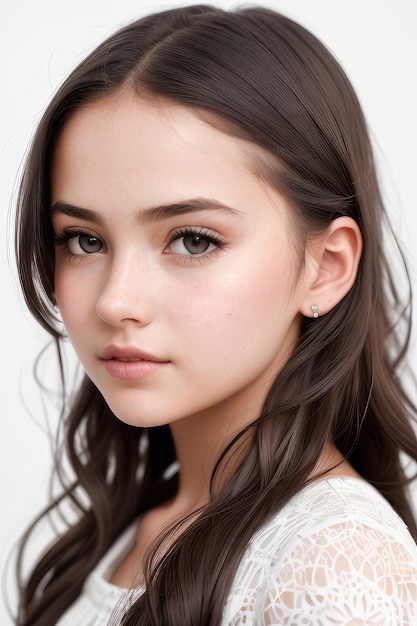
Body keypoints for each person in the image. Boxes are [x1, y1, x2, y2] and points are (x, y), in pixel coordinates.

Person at [13, 4, 417, 625]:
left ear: (326, 266)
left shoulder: (334, 565)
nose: (115, 300)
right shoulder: (133, 527)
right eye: (84, 240)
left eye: (193, 240)